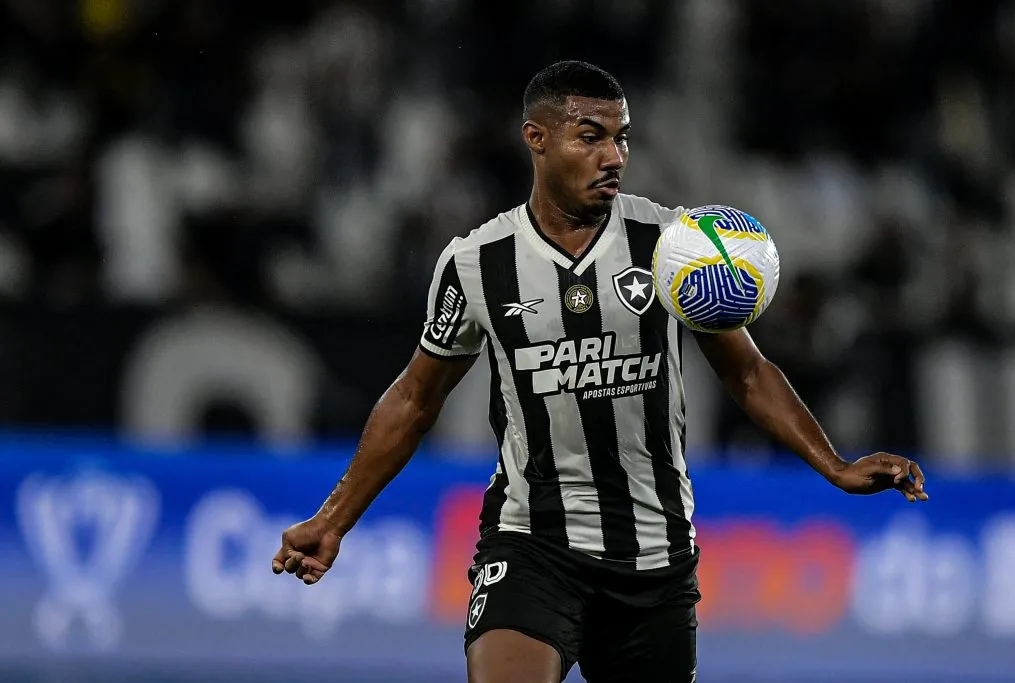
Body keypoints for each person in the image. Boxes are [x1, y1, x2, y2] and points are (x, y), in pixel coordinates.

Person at [271, 60, 928, 683]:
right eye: (592, 136)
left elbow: (749, 374)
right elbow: (414, 399)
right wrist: (332, 519)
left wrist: (835, 465)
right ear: (537, 138)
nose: (614, 156)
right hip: (532, 544)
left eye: (621, 138)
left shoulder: (674, 245)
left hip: (655, 555)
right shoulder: (477, 262)